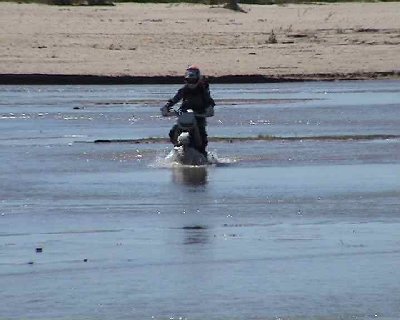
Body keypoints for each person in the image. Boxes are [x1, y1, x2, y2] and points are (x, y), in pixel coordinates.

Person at [162, 65, 215, 157]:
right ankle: (176, 145)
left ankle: (202, 154)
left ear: (198, 79)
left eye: (193, 80)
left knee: (202, 136)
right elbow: (175, 99)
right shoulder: (184, 90)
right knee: (172, 132)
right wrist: (167, 107)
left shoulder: (203, 91)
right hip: (184, 115)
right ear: (185, 80)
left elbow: (209, 102)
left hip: (198, 116)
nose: (191, 83)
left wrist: (209, 109)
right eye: (188, 80)